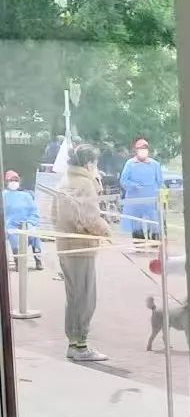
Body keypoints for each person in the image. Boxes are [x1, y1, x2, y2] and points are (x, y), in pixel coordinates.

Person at [52, 145, 111, 362]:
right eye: (95, 162)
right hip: (81, 248)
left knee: (74, 297)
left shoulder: (65, 180)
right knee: (85, 298)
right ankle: (80, 346)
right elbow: (89, 219)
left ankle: (74, 343)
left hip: (65, 247)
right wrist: (106, 230)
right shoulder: (84, 183)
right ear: (88, 163)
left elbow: (54, 215)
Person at [120, 138, 163, 249]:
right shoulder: (130, 164)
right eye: (140, 148)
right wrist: (134, 185)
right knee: (136, 224)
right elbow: (123, 181)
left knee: (153, 222)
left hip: (151, 200)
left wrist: (154, 191)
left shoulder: (155, 164)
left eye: (145, 148)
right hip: (135, 200)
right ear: (136, 150)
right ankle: (139, 245)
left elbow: (160, 182)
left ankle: (154, 243)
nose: (142, 151)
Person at [3, 170, 43, 272]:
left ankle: (38, 260)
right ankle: (18, 262)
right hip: (11, 226)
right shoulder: (3, 195)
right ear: (7, 181)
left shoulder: (27, 196)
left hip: (27, 224)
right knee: (15, 241)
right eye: (11, 180)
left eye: (16, 180)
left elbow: (34, 211)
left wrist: (30, 223)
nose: (14, 182)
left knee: (35, 237)